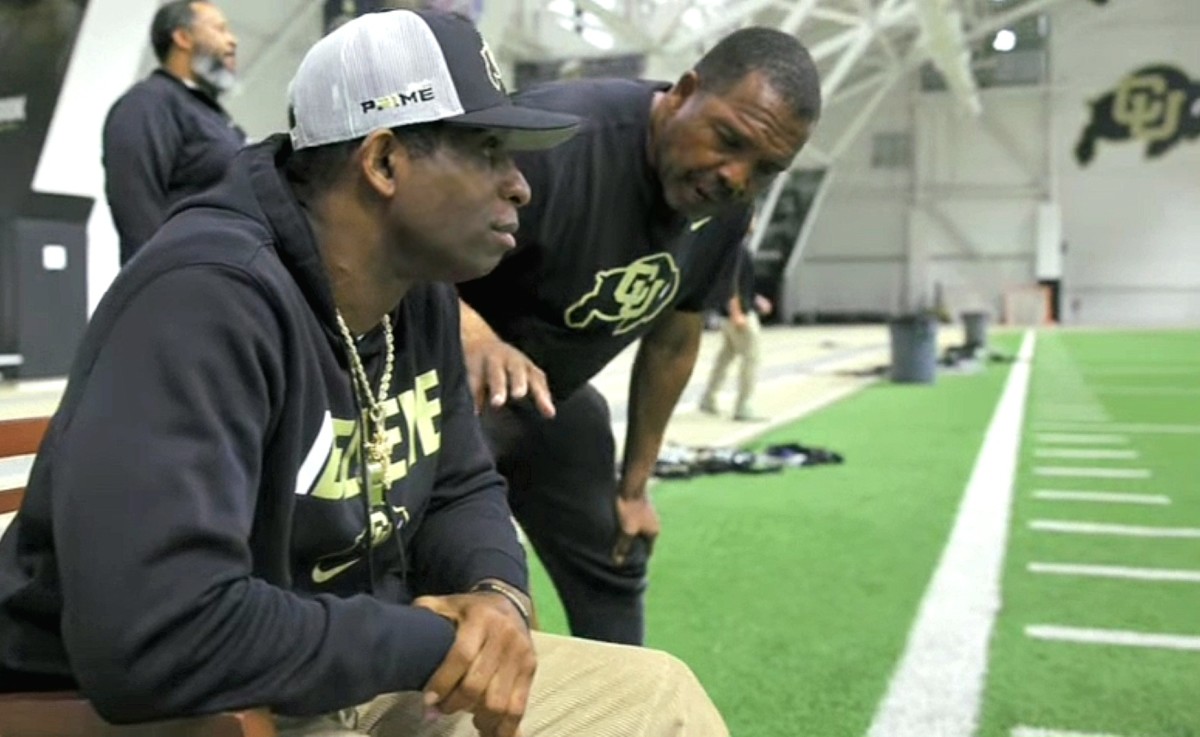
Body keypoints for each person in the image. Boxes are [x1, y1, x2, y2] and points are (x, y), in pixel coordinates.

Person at [0, 10, 728, 737]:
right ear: (382, 162)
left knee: (659, 696)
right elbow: (156, 639)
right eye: (488, 150)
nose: (520, 186)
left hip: (341, 671)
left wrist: (495, 596)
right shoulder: (201, 300)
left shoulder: (420, 291)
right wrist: (430, 641)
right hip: (183, 705)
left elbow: (460, 481)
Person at [457, 28, 821, 644]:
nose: (737, 175)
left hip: (546, 397)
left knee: (617, 551)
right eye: (729, 140)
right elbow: (399, 239)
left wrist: (634, 487)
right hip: (438, 390)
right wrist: (471, 336)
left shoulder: (726, 205)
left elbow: (675, 340)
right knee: (478, 581)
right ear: (682, 93)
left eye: (765, 168)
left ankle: (625, 702)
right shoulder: (553, 139)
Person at [102, 0, 245, 265]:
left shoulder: (211, 114)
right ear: (182, 37)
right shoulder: (146, 104)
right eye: (220, 29)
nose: (232, 40)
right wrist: (165, 285)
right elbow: (137, 211)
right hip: (182, 288)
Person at [700, 240, 773, 421]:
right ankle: (743, 404)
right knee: (752, 358)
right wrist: (736, 312)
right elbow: (730, 282)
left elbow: (741, 283)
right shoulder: (736, 249)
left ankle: (709, 397)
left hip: (733, 312)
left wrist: (755, 299)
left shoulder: (733, 247)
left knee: (726, 356)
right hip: (739, 314)